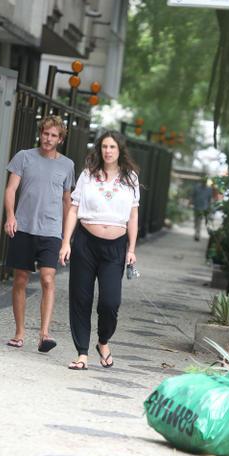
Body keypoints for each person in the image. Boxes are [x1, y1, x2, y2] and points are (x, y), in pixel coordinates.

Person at [59, 130, 140, 370]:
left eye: (112, 147)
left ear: (119, 150)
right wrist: (66, 242)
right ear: (99, 149)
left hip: (115, 246)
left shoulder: (130, 178)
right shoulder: (88, 175)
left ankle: (103, 341)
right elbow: (73, 209)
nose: (108, 151)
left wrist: (132, 249)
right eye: (104, 146)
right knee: (80, 298)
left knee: (110, 302)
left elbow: (133, 216)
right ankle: (82, 353)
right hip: (85, 242)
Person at [4, 115, 75, 351]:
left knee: (47, 278)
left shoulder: (67, 165)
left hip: (51, 231)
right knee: (21, 279)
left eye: (54, 135)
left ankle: (44, 335)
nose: (48, 138)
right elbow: (11, 189)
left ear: (60, 139)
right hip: (23, 227)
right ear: (40, 133)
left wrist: (66, 239)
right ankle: (19, 333)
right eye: (46, 133)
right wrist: (11, 216)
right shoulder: (24, 157)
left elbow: (67, 202)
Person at [192, 177, 212, 241]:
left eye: (205, 181)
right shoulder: (196, 187)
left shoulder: (209, 189)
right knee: (196, 221)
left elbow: (209, 199)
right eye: (203, 181)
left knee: (199, 221)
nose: (204, 183)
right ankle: (196, 231)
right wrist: (191, 202)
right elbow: (193, 196)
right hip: (196, 207)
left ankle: (197, 234)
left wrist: (209, 207)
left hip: (203, 208)